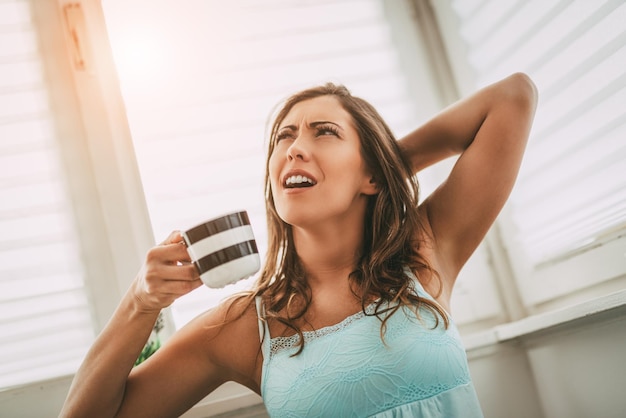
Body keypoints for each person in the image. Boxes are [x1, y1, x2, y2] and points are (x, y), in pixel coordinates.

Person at [60, 72, 537, 417]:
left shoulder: (424, 251)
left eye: (324, 132)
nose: (294, 147)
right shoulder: (244, 326)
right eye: (283, 137)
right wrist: (140, 303)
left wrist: (382, 173)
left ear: (370, 170)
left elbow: (512, 97)